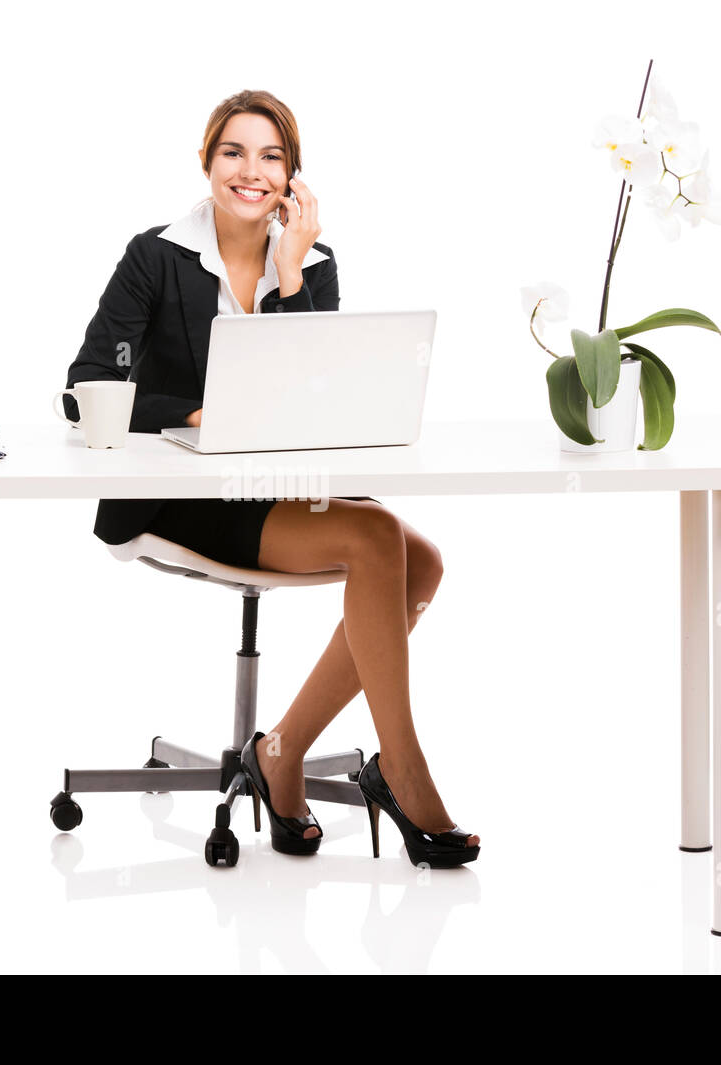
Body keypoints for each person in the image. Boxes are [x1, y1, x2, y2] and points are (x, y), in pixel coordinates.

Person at [63, 89, 478, 867]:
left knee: (423, 560)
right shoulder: (154, 256)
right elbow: (87, 382)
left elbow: (314, 403)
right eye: (234, 152)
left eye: (271, 156)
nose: (251, 172)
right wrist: (201, 414)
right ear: (205, 161)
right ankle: (404, 769)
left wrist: (290, 280)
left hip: (283, 487)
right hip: (182, 496)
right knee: (381, 536)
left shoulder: (313, 267)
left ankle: (281, 750)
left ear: (293, 177)